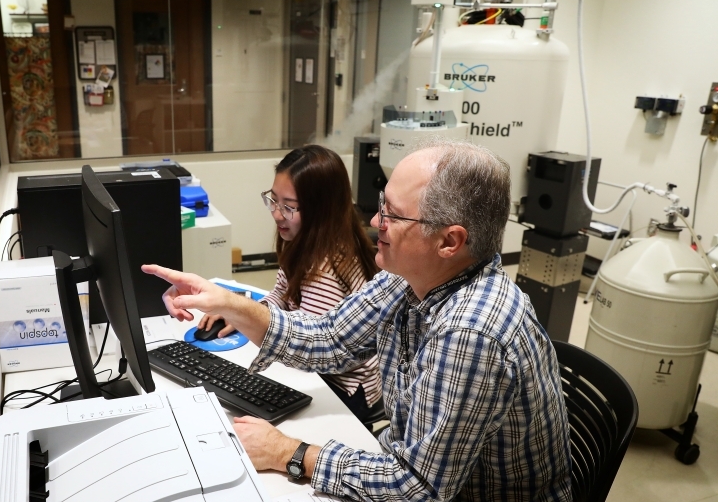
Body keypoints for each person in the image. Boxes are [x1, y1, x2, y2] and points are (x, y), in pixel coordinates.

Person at [142, 137, 572, 501]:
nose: (374, 221)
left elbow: (417, 488)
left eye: (393, 214)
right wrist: (226, 302)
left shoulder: (469, 332)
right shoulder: (409, 278)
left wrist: (290, 453)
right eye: (382, 205)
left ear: (449, 241)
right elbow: (327, 338)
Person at [198, 145, 383, 423]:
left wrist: (245, 313)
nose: (276, 214)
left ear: (322, 209)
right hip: (319, 366)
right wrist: (246, 312)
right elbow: (281, 296)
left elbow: (309, 345)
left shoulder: (327, 268)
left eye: (289, 207)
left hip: (343, 386)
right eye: (273, 200)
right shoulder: (304, 240)